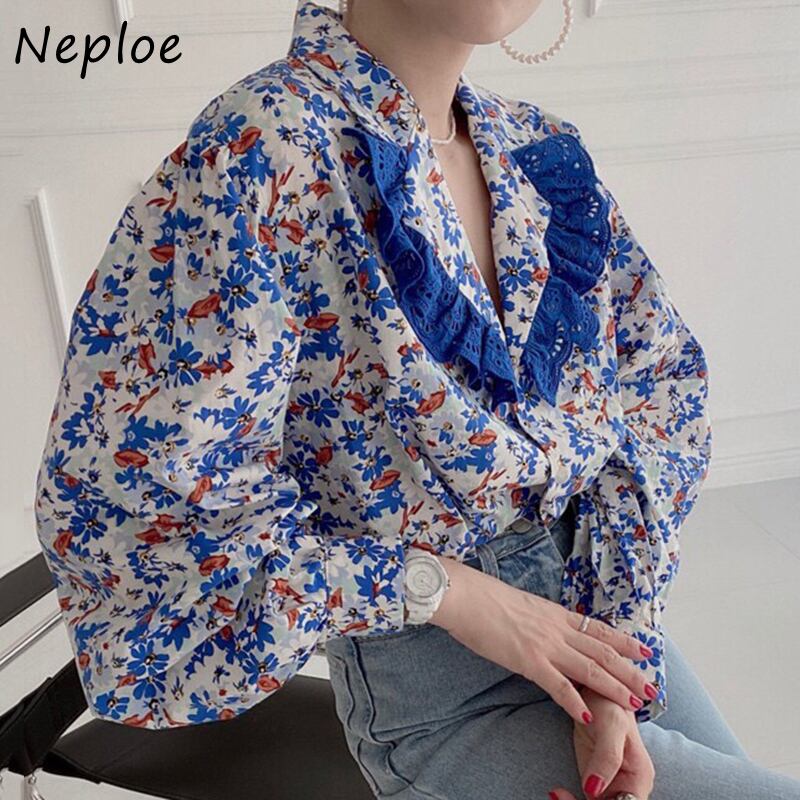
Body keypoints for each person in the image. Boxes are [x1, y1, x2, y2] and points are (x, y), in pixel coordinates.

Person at [32, 0, 800, 798]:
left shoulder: (533, 150)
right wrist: (445, 589)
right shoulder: (261, 150)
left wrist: (614, 656)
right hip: (442, 696)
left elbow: (651, 399)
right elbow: (147, 504)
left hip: (588, 626)